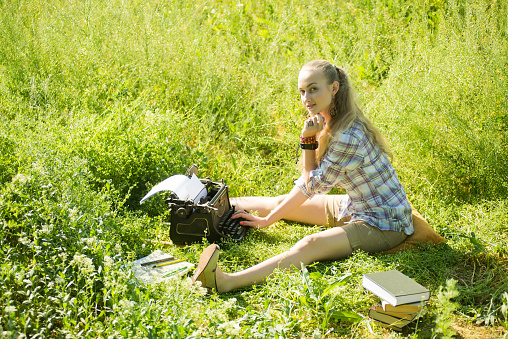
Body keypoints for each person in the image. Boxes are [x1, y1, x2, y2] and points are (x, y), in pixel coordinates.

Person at [191, 60, 414, 293]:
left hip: (384, 223)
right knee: (280, 202)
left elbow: (312, 185)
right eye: (302, 91)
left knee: (309, 245)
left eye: (313, 88)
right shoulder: (332, 120)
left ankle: (226, 282)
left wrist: (308, 140)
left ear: (334, 88)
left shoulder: (347, 136)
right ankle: (206, 208)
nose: (306, 97)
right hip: (354, 205)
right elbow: (307, 185)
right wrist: (271, 216)